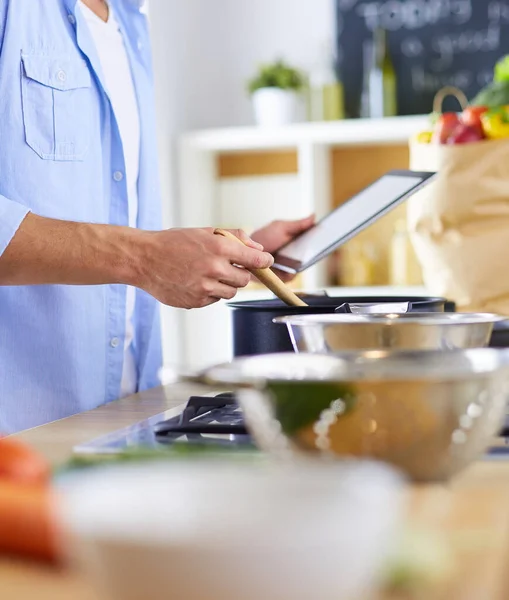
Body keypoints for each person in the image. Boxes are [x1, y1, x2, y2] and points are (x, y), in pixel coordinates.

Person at [0, 0, 314, 434]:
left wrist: (231, 254)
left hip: (126, 418)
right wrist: (144, 258)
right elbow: (136, 253)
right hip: (20, 441)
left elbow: (102, 212)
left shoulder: (131, 25)